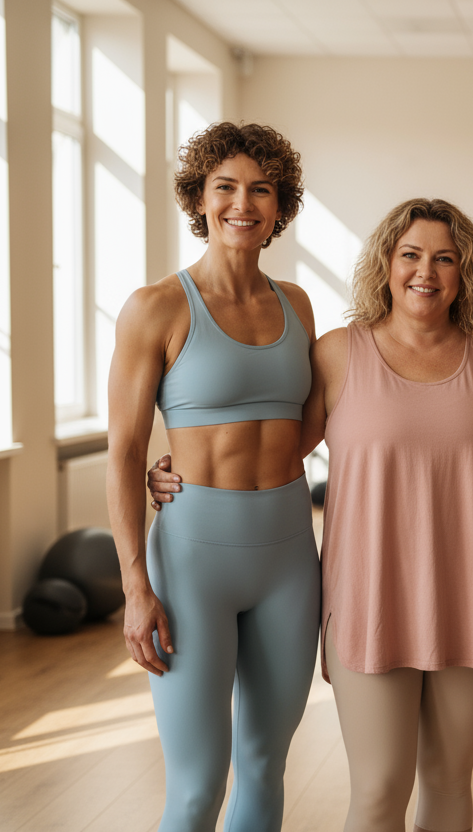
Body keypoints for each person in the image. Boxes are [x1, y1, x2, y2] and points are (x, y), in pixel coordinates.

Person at [150, 198, 473, 832]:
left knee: (451, 783)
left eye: (444, 258)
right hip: (368, 601)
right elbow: (270, 450)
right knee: (378, 788)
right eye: (410, 255)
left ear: (467, 272)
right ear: (385, 263)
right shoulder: (339, 354)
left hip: (470, 599)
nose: (424, 271)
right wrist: (175, 467)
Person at [107, 121, 319, 831]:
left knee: (265, 767)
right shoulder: (157, 307)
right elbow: (124, 452)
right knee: (197, 788)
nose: (243, 203)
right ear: (198, 198)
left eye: (262, 189)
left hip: (290, 553)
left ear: (280, 207)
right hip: (194, 558)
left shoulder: (297, 304)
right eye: (225, 186)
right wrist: (136, 589)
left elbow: (306, 425)